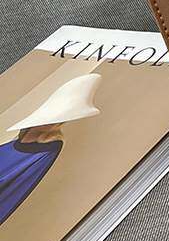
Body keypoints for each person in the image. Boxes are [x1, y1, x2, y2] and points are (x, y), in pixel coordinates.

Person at [0, 73, 102, 225]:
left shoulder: (48, 148)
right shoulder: (18, 142)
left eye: (59, 120)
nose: (54, 123)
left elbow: (17, 180)